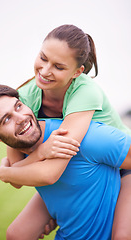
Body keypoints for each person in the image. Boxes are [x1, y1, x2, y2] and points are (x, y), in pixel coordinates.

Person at [8, 24, 131, 239]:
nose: (45, 71)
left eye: (58, 66)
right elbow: (18, 178)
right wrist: (15, 171)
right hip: (79, 168)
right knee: (17, 234)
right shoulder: (23, 99)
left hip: (122, 166)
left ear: (77, 71)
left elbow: (50, 169)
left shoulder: (86, 91)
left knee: (121, 235)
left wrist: (8, 172)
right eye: (43, 58)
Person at [0, 84, 131, 240]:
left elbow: (47, 176)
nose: (21, 118)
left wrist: (4, 173)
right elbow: (19, 179)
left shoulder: (85, 138)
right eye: (6, 119)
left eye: (18, 106)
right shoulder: (19, 148)